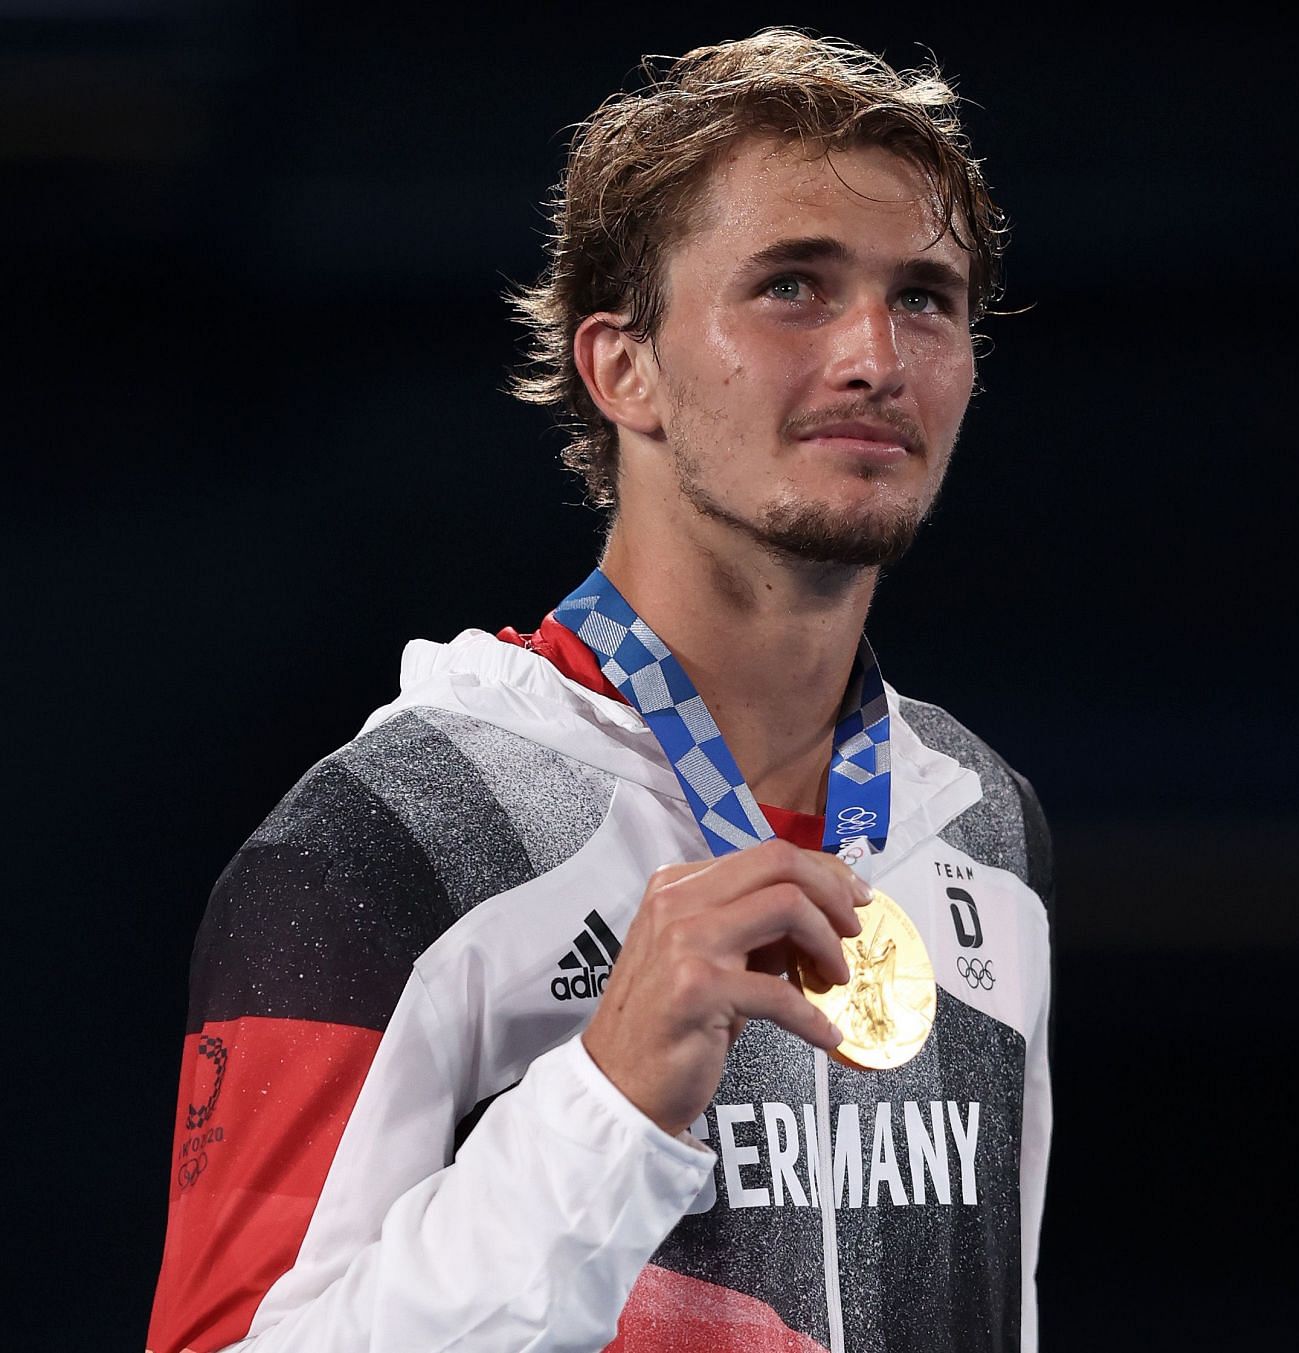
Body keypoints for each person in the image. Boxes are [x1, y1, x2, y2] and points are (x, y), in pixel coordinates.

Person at [148, 30, 1053, 1353]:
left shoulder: (980, 827)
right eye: (793, 285)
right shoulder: (388, 844)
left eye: (925, 296)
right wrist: (605, 1106)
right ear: (620, 367)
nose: (876, 354)